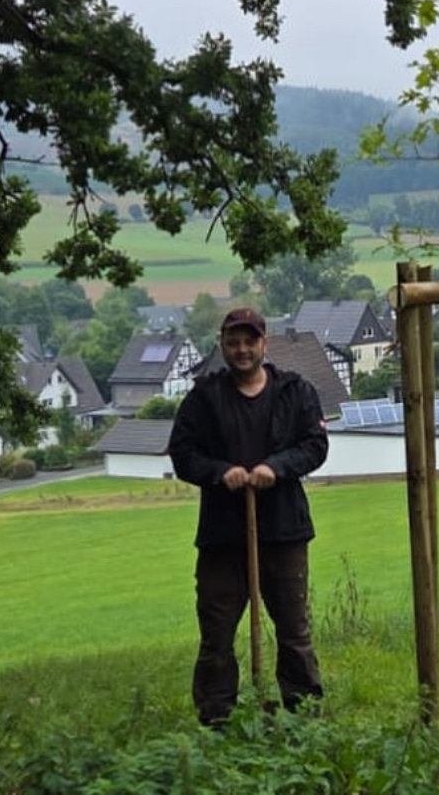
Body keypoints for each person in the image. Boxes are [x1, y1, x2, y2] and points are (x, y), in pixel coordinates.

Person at [169, 307, 329, 724]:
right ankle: (217, 720)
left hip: (284, 530)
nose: (242, 350)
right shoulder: (204, 398)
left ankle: (304, 717)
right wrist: (221, 472)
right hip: (222, 536)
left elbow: (315, 446)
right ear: (223, 346)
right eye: (233, 342)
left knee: (294, 631)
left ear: (264, 344)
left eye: (249, 341)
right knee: (217, 633)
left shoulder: (295, 391)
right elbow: (183, 454)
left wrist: (276, 467)